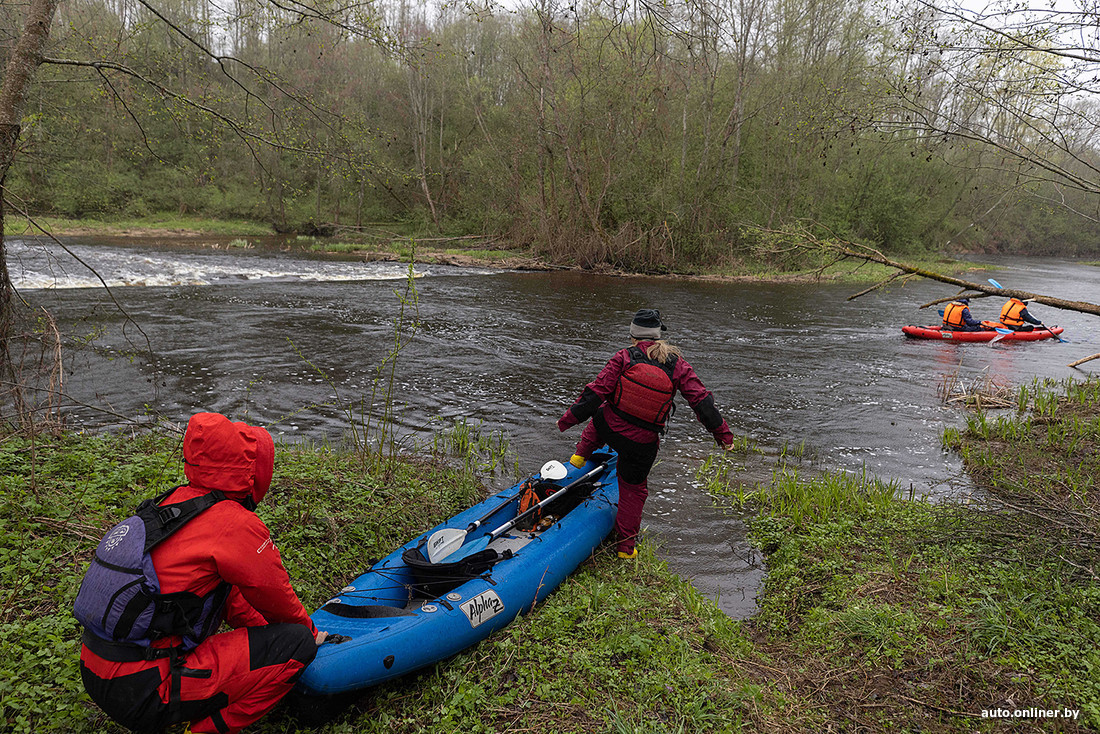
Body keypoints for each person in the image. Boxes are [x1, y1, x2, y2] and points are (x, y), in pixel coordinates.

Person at [78, 412, 327, 734]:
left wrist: (266, 636)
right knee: (297, 643)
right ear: (252, 472)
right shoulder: (234, 523)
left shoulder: (171, 505)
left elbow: (230, 600)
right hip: (149, 689)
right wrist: (307, 634)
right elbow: (276, 597)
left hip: (99, 674)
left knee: (280, 636)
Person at [556, 309, 736, 559]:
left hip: (611, 428)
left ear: (633, 335)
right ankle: (626, 549)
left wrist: (567, 420)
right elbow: (701, 401)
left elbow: (595, 392)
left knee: (602, 409)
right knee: (634, 491)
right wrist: (723, 436)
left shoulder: (624, 357)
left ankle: (580, 455)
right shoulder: (678, 365)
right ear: (659, 335)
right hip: (641, 444)